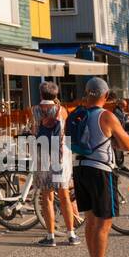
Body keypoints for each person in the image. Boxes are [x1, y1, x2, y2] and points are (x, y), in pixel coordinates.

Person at [66, 77, 129, 257]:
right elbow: (128, 144)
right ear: (105, 96)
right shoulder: (107, 116)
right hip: (100, 171)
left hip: (80, 168)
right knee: (104, 223)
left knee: (91, 221)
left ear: (87, 94)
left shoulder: (76, 114)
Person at [33, 82, 79, 246]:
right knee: (64, 194)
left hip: (43, 154)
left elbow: (34, 130)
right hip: (60, 155)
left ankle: (50, 236)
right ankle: (71, 234)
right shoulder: (62, 110)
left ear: (41, 94)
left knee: (47, 196)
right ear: (56, 94)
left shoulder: (35, 110)